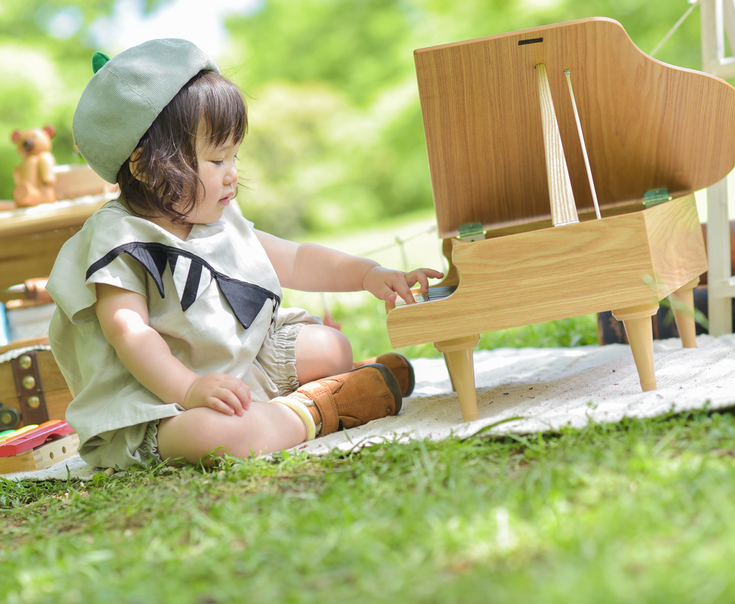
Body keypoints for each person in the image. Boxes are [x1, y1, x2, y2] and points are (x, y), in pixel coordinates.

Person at [47, 38, 442, 468]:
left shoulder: (215, 216)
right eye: (217, 161)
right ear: (145, 166)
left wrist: (368, 274)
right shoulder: (119, 238)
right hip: (161, 400)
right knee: (214, 436)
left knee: (331, 347)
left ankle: (327, 387)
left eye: (234, 157)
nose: (232, 175)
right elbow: (130, 334)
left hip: (241, 365)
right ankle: (321, 408)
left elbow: (294, 259)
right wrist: (189, 391)